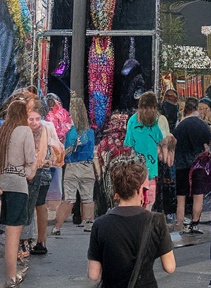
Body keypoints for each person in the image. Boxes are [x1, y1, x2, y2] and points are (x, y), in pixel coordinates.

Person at [86, 156, 174, 288]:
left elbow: (93, 274)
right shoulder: (156, 221)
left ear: (116, 190)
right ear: (140, 189)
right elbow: (170, 267)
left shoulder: (100, 224)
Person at [0, 98, 34, 288]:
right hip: (17, 184)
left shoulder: (2, 132)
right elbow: (30, 160)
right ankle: (11, 277)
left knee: (2, 231)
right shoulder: (25, 131)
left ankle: (8, 274)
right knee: (13, 235)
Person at [22, 100, 61, 255]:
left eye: (37, 119)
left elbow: (57, 147)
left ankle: (38, 241)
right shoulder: (25, 129)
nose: (34, 122)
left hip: (42, 171)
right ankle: (31, 240)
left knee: (37, 205)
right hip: (32, 171)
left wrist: (50, 159)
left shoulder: (47, 128)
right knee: (33, 205)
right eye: (31, 119)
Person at [58, 99, 96, 233]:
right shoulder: (90, 132)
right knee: (88, 199)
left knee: (68, 199)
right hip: (87, 166)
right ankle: (89, 224)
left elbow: (67, 149)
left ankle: (57, 227)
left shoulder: (71, 132)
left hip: (73, 166)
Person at [173, 98, 210, 234]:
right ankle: (195, 224)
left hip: (181, 165)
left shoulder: (180, 126)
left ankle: (180, 223)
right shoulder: (203, 125)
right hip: (198, 165)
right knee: (198, 195)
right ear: (196, 109)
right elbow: (207, 146)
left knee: (181, 197)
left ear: (185, 110)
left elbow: (174, 144)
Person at [123, 93, 162, 209]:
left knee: (138, 197)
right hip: (151, 167)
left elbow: (128, 143)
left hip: (137, 166)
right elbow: (161, 140)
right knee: (149, 200)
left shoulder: (133, 120)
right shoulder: (158, 120)